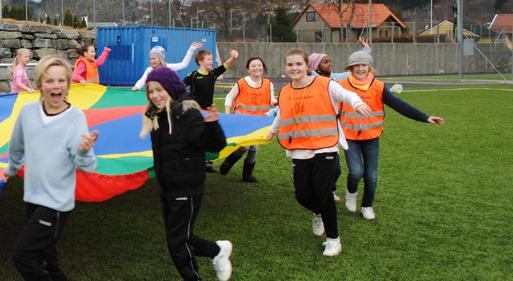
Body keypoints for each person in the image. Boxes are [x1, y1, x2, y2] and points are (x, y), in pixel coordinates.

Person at [266, 48, 372, 257]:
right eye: (290, 65)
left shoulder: (325, 84)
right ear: (286, 68)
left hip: (326, 147)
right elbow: (282, 114)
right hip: (299, 148)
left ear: (307, 66)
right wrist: (271, 132)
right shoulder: (286, 91)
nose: (294, 68)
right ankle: (318, 214)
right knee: (302, 194)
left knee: (323, 194)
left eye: (298, 64)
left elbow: (347, 94)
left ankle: (333, 239)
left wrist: (357, 103)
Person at [3, 55, 98, 281]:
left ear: (68, 83)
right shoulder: (27, 113)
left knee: (23, 256)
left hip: (56, 202)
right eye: (49, 81)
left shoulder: (76, 117)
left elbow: (88, 166)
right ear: (39, 85)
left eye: (60, 81)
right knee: (46, 256)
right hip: (33, 197)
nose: (55, 86)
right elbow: (17, 145)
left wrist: (84, 150)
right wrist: (12, 169)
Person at [140, 67, 233, 281]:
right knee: (183, 236)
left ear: (171, 89)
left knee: (177, 241)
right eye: (150, 91)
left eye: (159, 90)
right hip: (169, 188)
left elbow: (214, 144)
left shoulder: (186, 112)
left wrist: (212, 126)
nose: (154, 95)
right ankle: (217, 251)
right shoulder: (156, 115)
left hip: (187, 189)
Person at [339, 50, 444, 220]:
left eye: (363, 65)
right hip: (350, 137)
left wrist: (424, 117)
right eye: (356, 65)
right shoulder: (341, 86)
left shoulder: (378, 86)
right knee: (356, 172)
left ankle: (367, 205)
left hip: (372, 137)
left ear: (369, 67)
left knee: (371, 176)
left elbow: (398, 104)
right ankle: (351, 192)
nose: (360, 68)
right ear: (350, 68)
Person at [220, 57, 277, 182]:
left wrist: (276, 102)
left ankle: (247, 175)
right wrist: (228, 113)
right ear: (248, 69)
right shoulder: (241, 83)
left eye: (259, 65)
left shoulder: (268, 84)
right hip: (242, 120)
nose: (257, 67)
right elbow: (229, 97)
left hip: (257, 121)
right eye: (253, 66)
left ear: (263, 68)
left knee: (254, 149)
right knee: (245, 147)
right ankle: (228, 163)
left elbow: (271, 100)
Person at [183, 48, 239, 173]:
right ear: (200, 61)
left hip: (209, 113)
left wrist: (234, 57)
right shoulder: (193, 75)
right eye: (209, 59)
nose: (211, 62)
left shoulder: (212, 74)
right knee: (195, 138)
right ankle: (193, 160)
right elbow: (180, 88)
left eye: (212, 59)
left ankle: (207, 163)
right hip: (195, 114)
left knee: (210, 137)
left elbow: (225, 66)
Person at [131, 42, 203, 91]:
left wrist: (192, 48)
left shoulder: (168, 67)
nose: (152, 61)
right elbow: (143, 79)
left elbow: (184, 64)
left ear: (160, 58)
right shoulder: (149, 70)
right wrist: (137, 86)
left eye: (154, 58)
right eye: (150, 59)